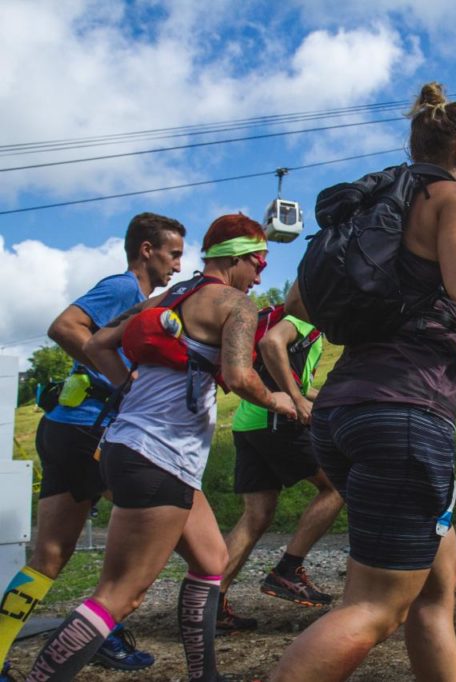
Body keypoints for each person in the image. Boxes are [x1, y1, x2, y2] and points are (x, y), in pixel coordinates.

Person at [269, 82, 456, 681]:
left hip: (344, 412)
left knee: (431, 594)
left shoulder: (378, 207)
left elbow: (301, 300)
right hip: (404, 414)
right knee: (374, 607)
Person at [24, 214, 298, 681]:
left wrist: (127, 389)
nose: (262, 275)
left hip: (137, 448)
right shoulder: (235, 304)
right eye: (258, 263)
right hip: (159, 457)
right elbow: (238, 376)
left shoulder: (167, 296)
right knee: (121, 594)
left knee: (211, 562)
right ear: (238, 260)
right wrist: (283, 399)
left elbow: (98, 344)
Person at [0, 212, 184, 678]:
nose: (177, 266)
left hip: (67, 427)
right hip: (90, 430)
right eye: (173, 254)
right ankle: (106, 631)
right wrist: (124, 380)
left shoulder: (139, 298)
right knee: (150, 531)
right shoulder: (125, 289)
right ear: (147, 250)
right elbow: (64, 327)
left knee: (51, 556)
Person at [217, 311, 344, 631]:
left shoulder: (306, 338)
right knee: (337, 486)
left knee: (256, 515)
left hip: (249, 422)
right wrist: (298, 399)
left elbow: (297, 383)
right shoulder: (304, 319)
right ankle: (287, 569)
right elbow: (270, 342)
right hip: (277, 421)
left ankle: (207, 604)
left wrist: (325, 397)